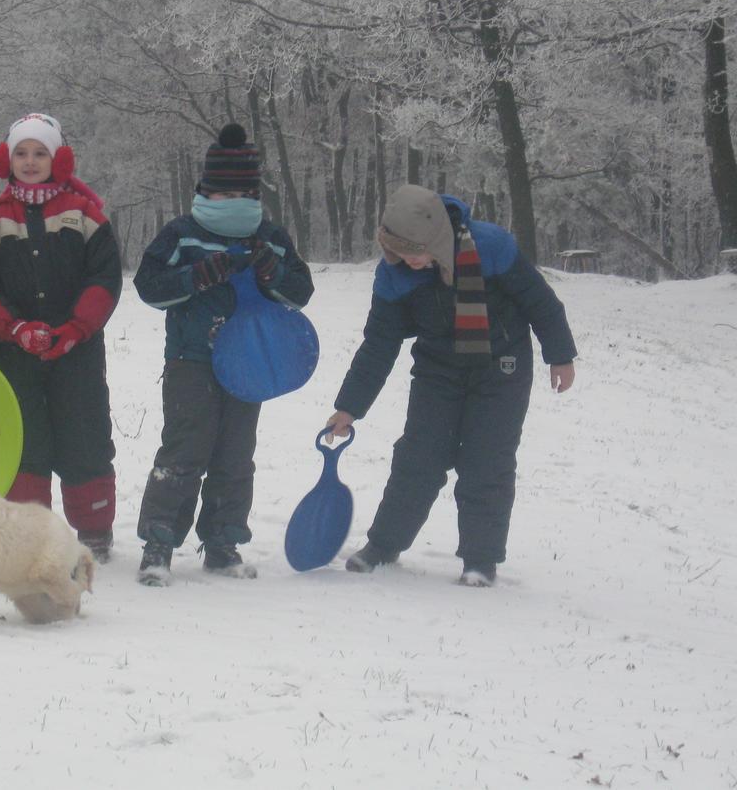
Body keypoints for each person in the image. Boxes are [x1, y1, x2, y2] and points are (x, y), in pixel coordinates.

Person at [325, 183, 577, 587]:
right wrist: (349, 407)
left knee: (487, 462)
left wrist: (560, 355)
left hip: (502, 367)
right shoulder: (395, 276)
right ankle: (384, 545)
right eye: (399, 254)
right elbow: (379, 345)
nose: (408, 262)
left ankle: (480, 560)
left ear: (436, 239)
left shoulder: (491, 246)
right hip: (438, 369)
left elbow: (540, 301)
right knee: (417, 457)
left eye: (414, 253)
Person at [133, 123, 314, 586]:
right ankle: (159, 542)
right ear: (203, 190)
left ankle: (222, 542)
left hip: (249, 364)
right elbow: (148, 286)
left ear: (254, 194)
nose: (230, 202)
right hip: (190, 360)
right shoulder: (181, 234)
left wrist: (273, 275)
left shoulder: (270, 237)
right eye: (221, 193)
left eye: (241, 193)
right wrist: (196, 277)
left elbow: (301, 291)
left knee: (236, 455)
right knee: (183, 449)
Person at [0, 113, 122, 563]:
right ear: (6, 159)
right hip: (12, 353)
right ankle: (26, 531)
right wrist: (14, 328)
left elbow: (103, 279)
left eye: (40, 153)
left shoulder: (85, 214)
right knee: (21, 438)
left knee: (85, 433)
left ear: (59, 159)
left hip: (77, 351)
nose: (30, 161)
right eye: (21, 153)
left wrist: (75, 329)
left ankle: (93, 528)